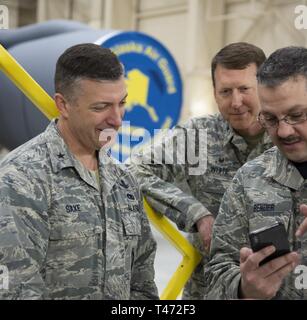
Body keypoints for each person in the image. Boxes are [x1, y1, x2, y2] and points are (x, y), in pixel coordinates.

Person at [0, 43, 158, 300]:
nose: (117, 119)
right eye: (101, 107)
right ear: (63, 105)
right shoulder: (21, 179)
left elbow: (142, 285)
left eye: (122, 103)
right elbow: (16, 291)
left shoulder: (123, 181)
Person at [128, 42, 273, 299]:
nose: (236, 101)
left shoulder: (289, 136)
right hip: (210, 291)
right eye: (225, 91)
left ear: (263, 86)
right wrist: (195, 213)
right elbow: (136, 170)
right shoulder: (198, 137)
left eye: (244, 89)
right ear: (214, 92)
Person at [204, 46, 307, 300]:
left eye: (296, 115)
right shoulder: (249, 180)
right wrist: (243, 289)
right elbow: (217, 273)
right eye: (270, 119)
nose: (284, 132)